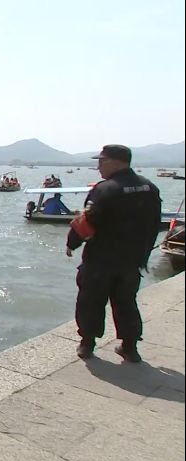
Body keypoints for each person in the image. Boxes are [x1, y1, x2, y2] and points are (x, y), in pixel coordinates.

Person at [67, 144, 161, 363]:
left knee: (91, 300)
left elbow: (86, 222)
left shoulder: (105, 189)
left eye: (101, 161)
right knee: (126, 301)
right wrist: (144, 254)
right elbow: (154, 225)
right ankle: (129, 346)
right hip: (131, 260)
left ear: (115, 162)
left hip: (101, 259)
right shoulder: (150, 188)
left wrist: (72, 243)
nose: (98, 166)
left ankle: (87, 343)